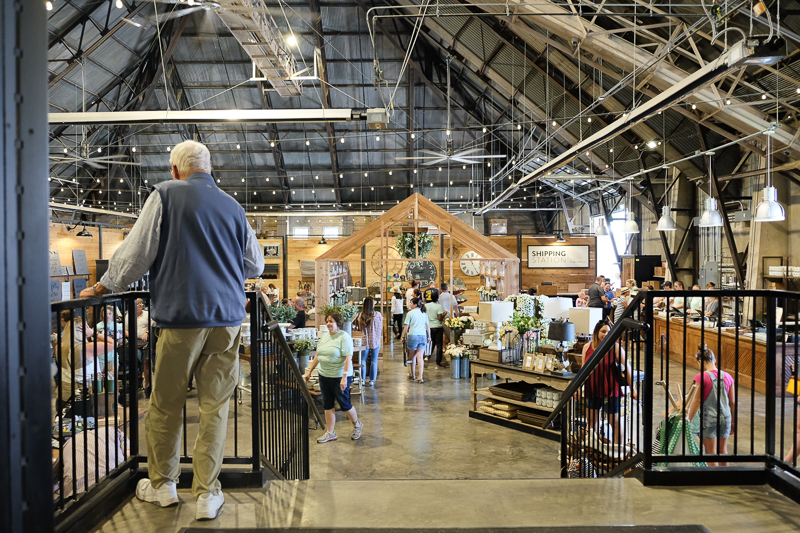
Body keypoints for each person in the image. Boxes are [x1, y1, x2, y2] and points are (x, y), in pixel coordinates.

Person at [79, 139, 264, 520]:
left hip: (181, 318)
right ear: (209, 169)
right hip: (226, 321)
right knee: (215, 407)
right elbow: (255, 265)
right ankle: (208, 494)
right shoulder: (233, 206)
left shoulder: (164, 194)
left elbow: (135, 255)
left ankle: (163, 484)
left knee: (165, 404)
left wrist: (101, 287)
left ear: (175, 169)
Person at [303, 312, 362, 443]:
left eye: (332, 321)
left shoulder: (344, 337)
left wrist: (344, 377)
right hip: (324, 375)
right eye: (327, 321)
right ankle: (330, 432)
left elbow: (348, 358)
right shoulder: (325, 337)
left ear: (338, 323)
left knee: (344, 404)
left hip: (339, 376)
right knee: (327, 404)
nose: (329, 324)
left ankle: (357, 425)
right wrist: (309, 371)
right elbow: (318, 355)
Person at [581, 320, 635, 451]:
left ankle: (617, 451)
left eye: (608, 332)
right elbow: (583, 369)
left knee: (614, 422)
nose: (606, 334)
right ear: (596, 332)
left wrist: (633, 388)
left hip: (610, 389)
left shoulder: (615, 348)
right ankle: (592, 449)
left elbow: (627, 369)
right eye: (603, 331)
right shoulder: (587, 347)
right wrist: (579, 388)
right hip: (592, 389)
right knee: (591, 423)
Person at [686, 344, 735, 466]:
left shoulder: (701, 377)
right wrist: (733, 421)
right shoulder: (728, 376)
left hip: (709, 418)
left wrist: (689, 420)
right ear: (715, 360)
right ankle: (725, 479)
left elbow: (696, 401)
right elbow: (732, 402)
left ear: (700, 361)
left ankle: (713, 479)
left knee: (711, 452)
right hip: (726, 417)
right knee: (722, 450)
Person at [401, 297, 431, 383]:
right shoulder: (424, 313)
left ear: (415, 304)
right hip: (423, 336)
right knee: (420, 357)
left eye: (411, 303)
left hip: (413, 336)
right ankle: (420, 377)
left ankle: (413, 374)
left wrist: (403, 337)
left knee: (413, 356)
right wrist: (429, 337)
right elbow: (428, 326)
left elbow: (406, 327)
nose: (410, 304)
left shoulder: (410, 313)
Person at [355, 297, 382, 387]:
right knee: (374, 360)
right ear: (372, 305)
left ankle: (362, 379)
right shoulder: (378, 315)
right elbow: (380, 328)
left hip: (364, 341)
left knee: (363, 360)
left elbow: (360, 329)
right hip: (375, 340)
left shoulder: (360, 316)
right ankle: (372, 381)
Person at [426, 292, 446, 367]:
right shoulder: (439, 306)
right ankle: (438, 361)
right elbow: (439, 318)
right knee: (439, 344)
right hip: (438, 327)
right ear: (437, 298)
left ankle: (428, 356)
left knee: (430, 343)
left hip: (428, 327)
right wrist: (444, 314)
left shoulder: (426, 305)